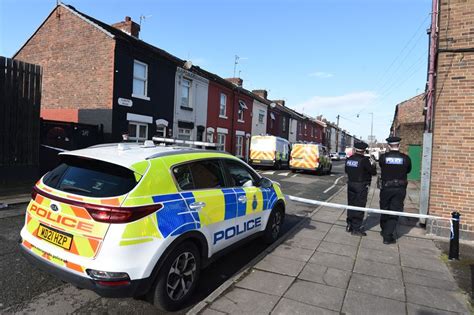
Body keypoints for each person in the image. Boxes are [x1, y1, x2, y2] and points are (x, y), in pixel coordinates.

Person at [379, 136, 412, 244]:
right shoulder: (406, 158)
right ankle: (388, 236)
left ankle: (384, 230)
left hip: (386, 188)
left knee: (384, 208)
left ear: (388, 146)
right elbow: (408, 170)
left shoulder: (383, 157)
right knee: (394, 210)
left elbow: (382, 166)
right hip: (399, 188)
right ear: (399, 145)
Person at [345, 142, 377, 236]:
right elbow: (373, 172)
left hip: (350, 184)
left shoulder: (349, 159)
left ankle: (349, 225)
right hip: (361, 185)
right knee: (359, 206)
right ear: (364, 150)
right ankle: (356, 229)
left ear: (355, 149)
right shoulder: (364, 160)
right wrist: (373, 164)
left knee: (351, 205)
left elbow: (346, 170)